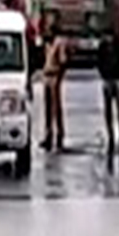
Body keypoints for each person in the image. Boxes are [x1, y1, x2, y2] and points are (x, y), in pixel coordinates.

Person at [40, 13, 69, 152]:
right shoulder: (47, 44)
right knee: (47, 108)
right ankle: (48, 134)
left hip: (55, 76)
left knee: (56, 108)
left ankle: (59, 134)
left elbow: (63, 61)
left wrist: (59, 76)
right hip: (46, 75)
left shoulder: (59, 43)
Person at [97, 28, 119, 152]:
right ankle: (111, 134)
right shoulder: (104, 47)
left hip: (117, 78)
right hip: (109, 79)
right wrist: (103, 74)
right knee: (110, 110)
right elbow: (99, 61)